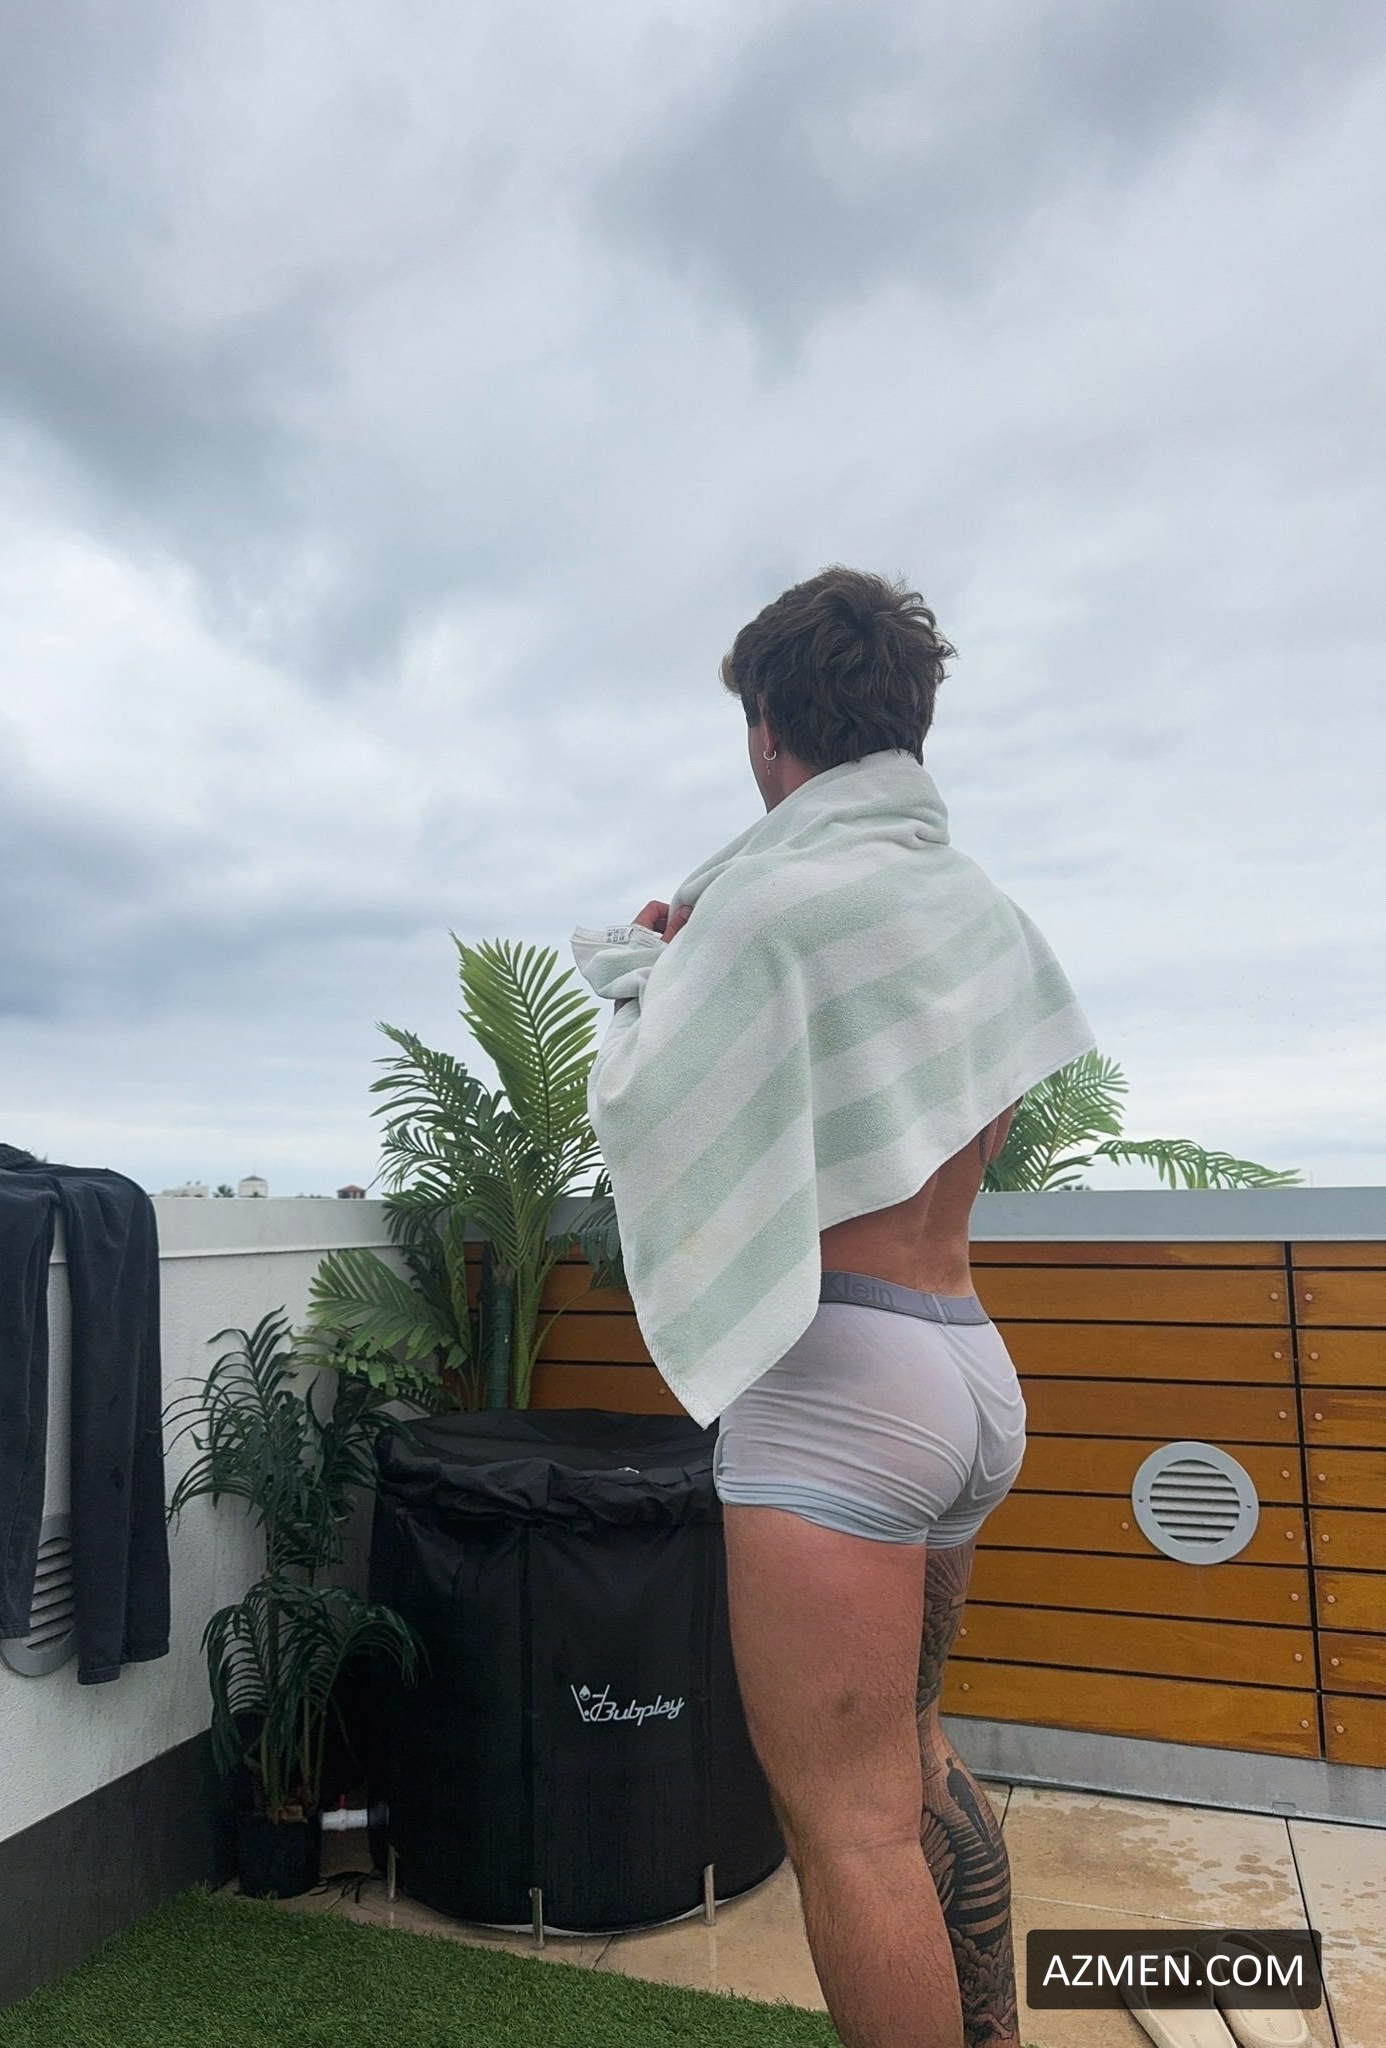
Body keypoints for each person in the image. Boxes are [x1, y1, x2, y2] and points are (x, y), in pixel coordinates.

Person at [572, 567, 1095, 2048]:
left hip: (840, 1388)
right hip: (965, 1358)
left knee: (851, 1831)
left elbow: (657, 1108)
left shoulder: (767, 906)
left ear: (766, 728)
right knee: (918, 1758)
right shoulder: (975, 908)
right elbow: (972, 1122)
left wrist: (647, 979)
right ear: (909, 718)